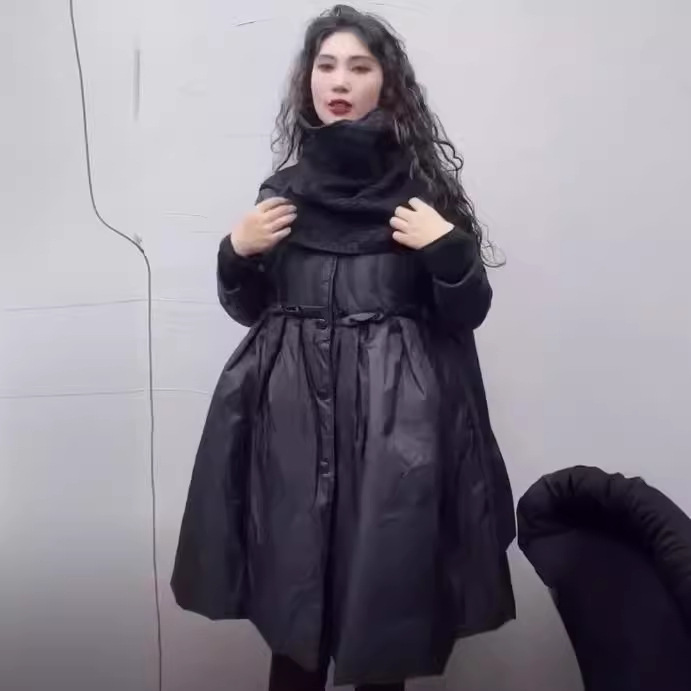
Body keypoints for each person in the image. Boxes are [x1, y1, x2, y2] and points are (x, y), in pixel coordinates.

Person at [171, 5, 516, 690]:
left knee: (381, 618)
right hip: (293, 427)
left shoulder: (421, 195)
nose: (340, 80)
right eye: (326, 65)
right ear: (308, 81)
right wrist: (236, 251)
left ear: (386, 84)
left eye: (359, 67)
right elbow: (251, 310)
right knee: (295, 619)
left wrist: (448, 251)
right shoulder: (283, 194)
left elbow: (465, 314)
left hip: (395, 432)